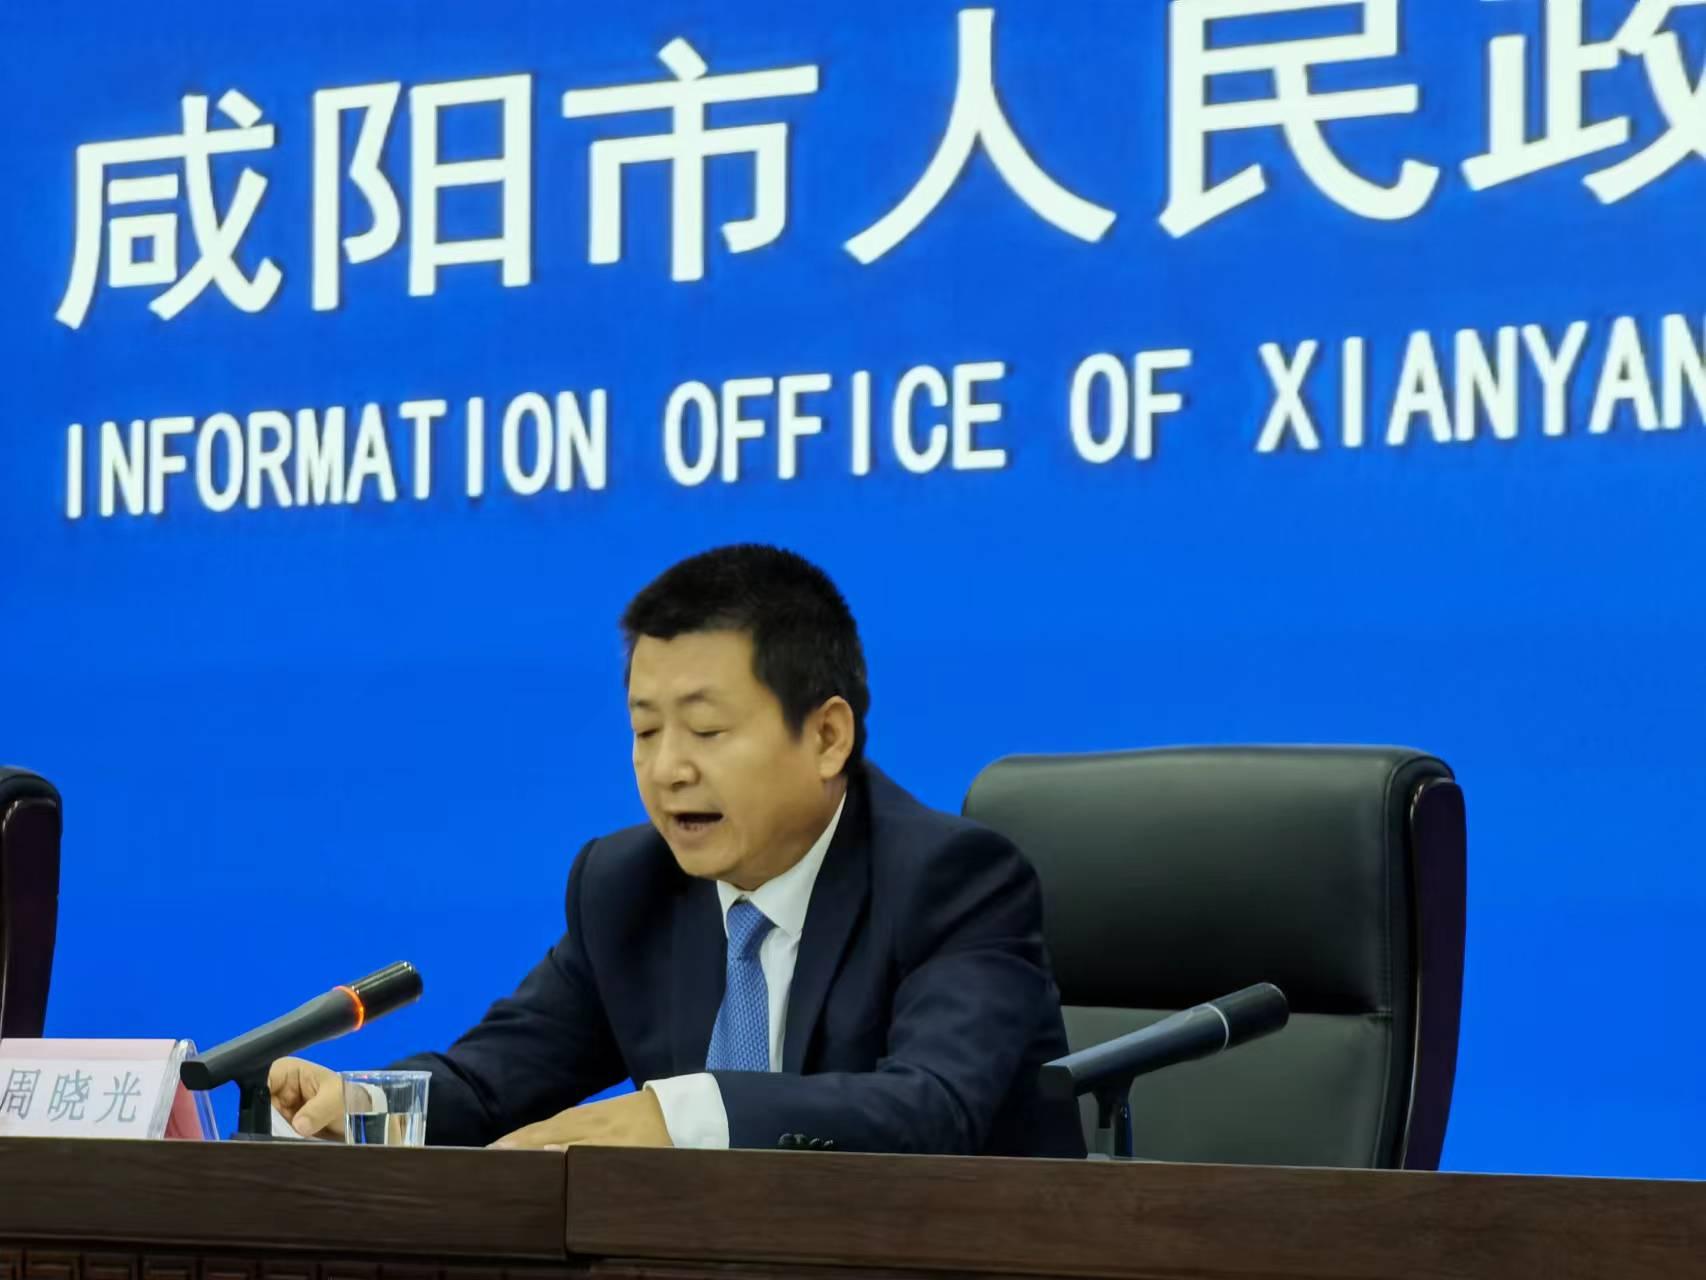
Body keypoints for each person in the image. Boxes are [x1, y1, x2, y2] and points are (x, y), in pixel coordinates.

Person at [270, 544, 1084, 1156]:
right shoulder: (626, 888)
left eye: (706, 729)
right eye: (645, 730)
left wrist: (680, 1114)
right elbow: (491, 1086)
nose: (667, 770)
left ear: (827, 736)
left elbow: (932, 1109)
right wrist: (364, 1102)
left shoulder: (951, 882)